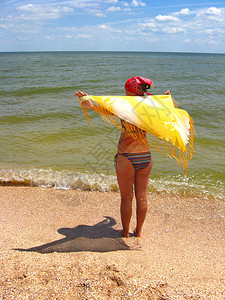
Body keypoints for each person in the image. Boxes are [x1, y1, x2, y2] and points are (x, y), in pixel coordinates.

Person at [75, 76, 171, 238]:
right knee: (142, 197)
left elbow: (101, 108)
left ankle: (125, 233)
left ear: (130, 91)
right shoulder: (152, 106)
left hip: (126, 157)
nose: (124, 93)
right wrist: (166, 99)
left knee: (127, 199)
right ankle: (139, 231)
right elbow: (168, 111)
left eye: (126, 91)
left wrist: (87, 103)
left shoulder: (124, 106)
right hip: (145, 156)